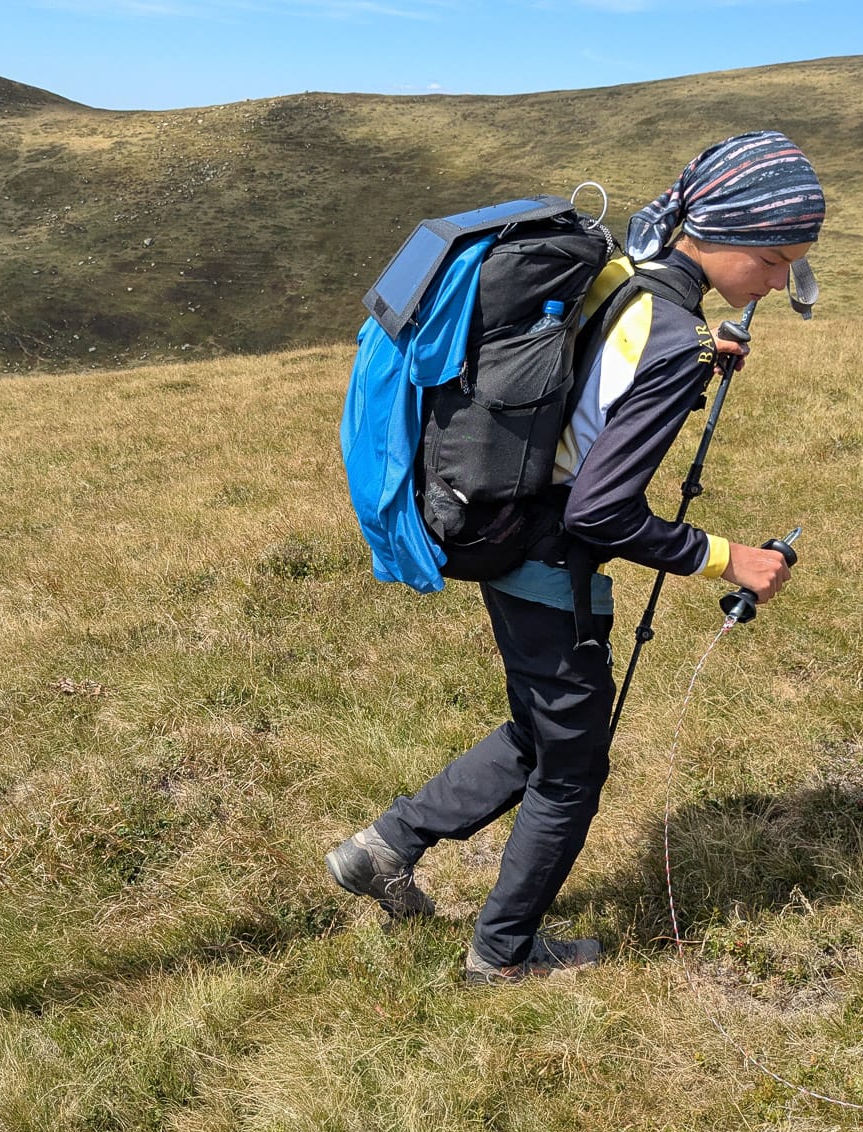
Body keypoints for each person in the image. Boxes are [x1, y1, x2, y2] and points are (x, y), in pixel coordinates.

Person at [326, 131, 825, 984]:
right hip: (550, 560)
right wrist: (726, 557)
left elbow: (600, 360)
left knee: (545, 730)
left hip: (501, 529)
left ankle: (385, 849)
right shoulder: (672, 341)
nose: (779, 282)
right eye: (776, 259)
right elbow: (605, 509)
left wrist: (704, 351)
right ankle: (503, 953)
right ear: (726, 236)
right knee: (574, 768)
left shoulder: (626, 282)